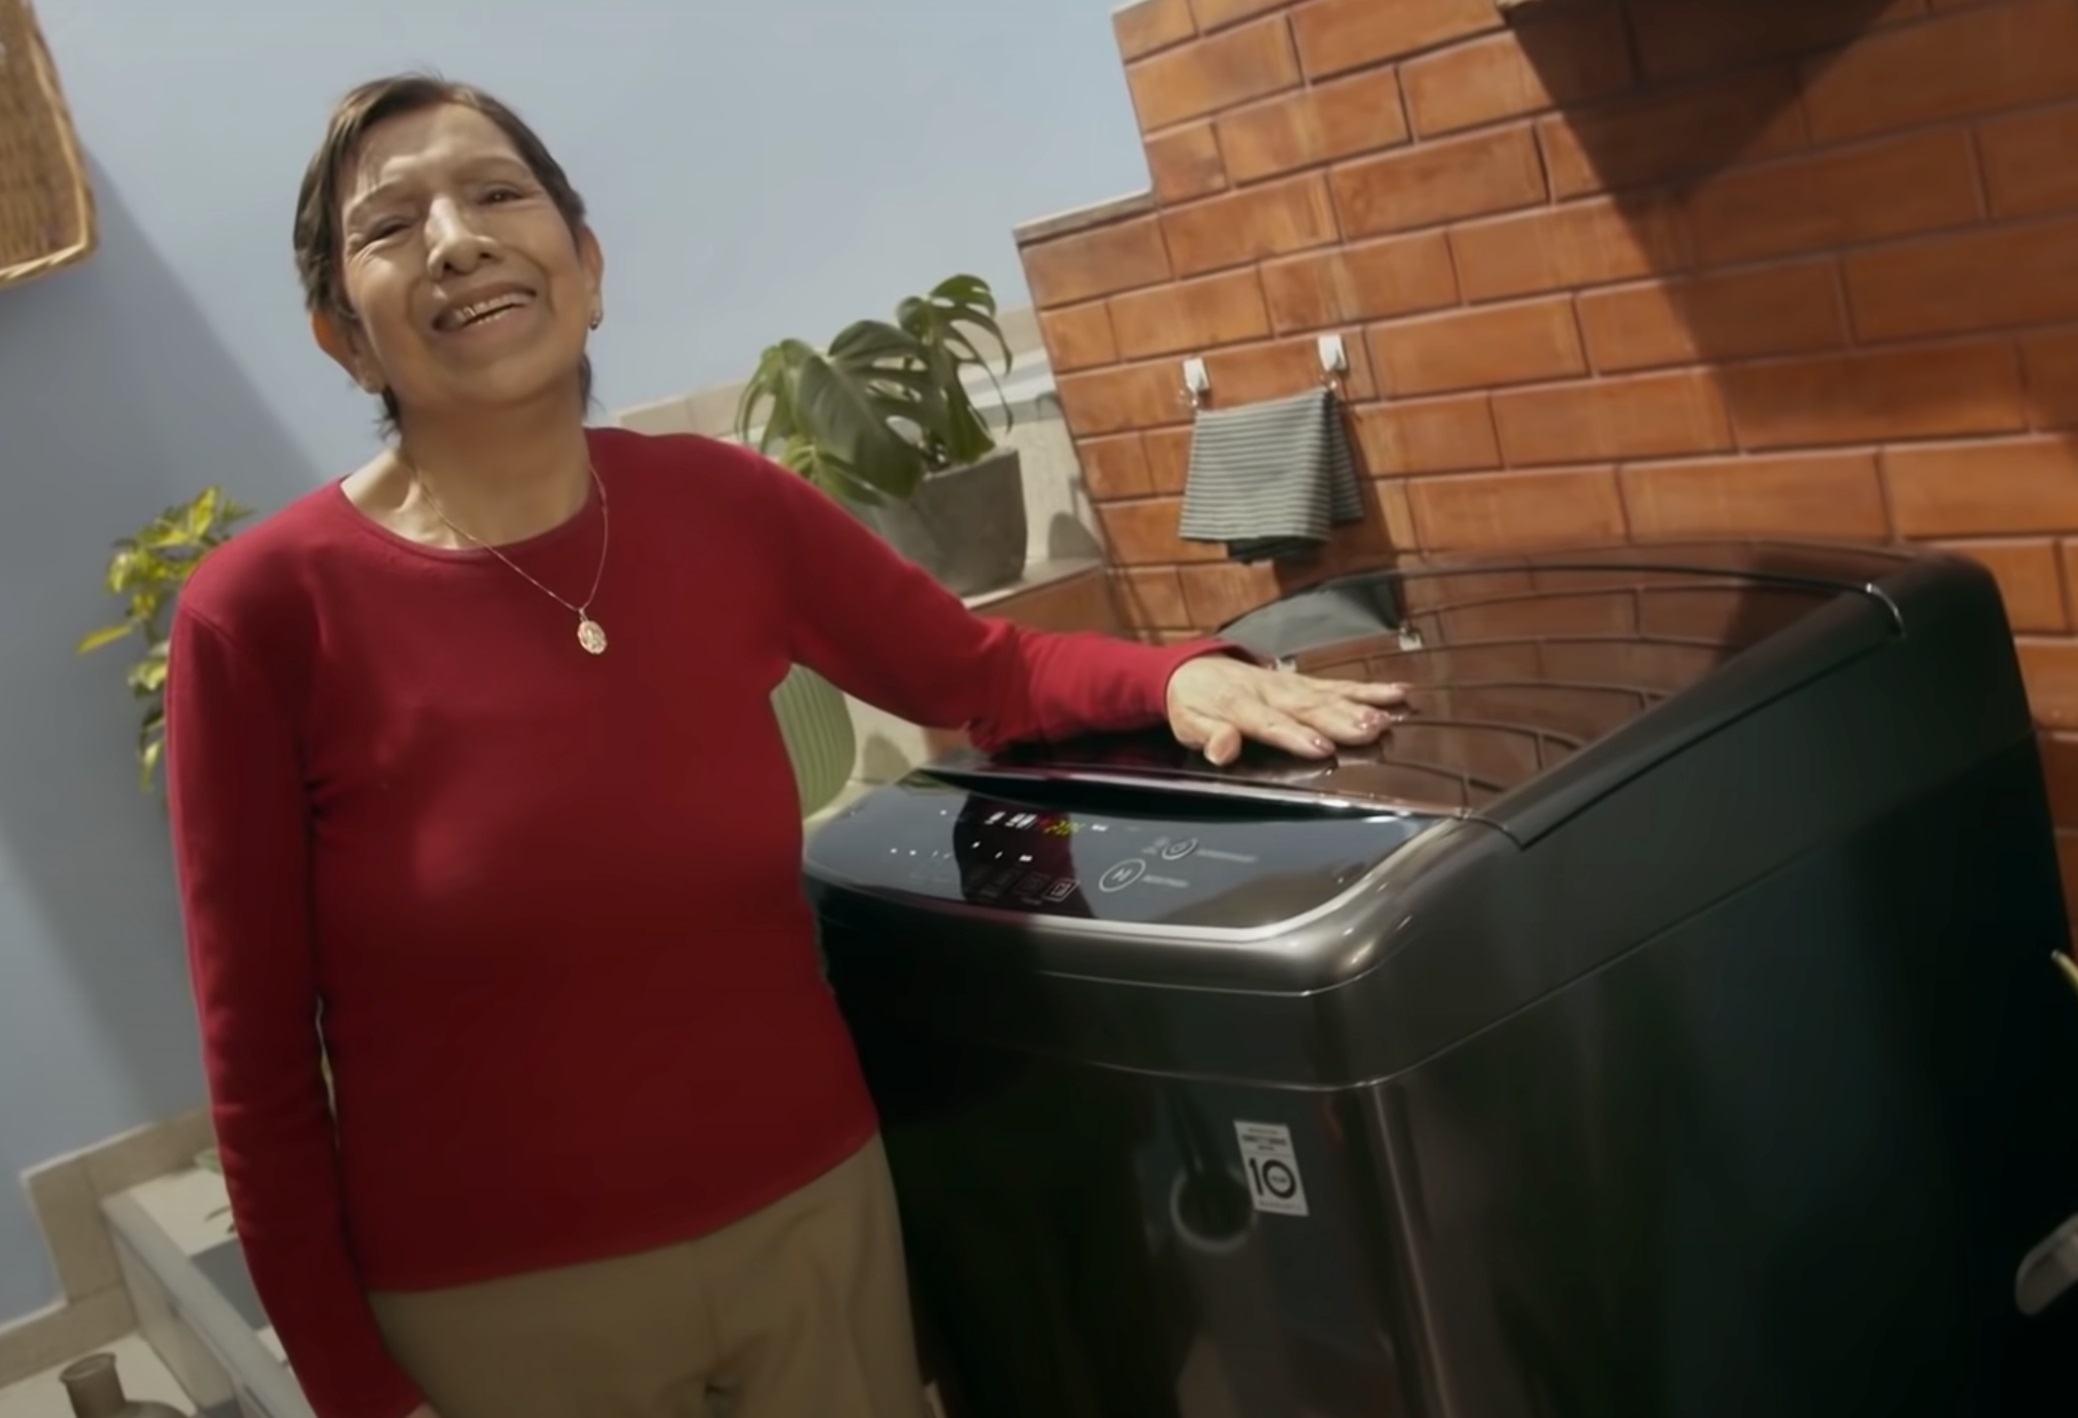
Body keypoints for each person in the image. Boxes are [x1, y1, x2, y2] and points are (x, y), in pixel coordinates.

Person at [162, 73, 1406, 1418]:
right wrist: (351, 1385)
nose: (458, 237)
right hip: (496, 1308)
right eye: (391, 224)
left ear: (584, 265)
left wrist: (1179, 681)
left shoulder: (724, 506)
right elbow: (258, 1065)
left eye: (499, 192)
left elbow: (984, 670)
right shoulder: (262, 614)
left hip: (814, 1217)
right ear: (341, 335)